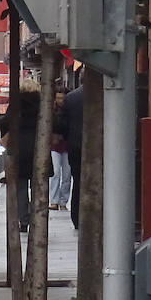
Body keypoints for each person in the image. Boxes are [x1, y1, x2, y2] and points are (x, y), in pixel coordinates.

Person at [0, 81, 50, 233]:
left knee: (21, 187)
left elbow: (4, 122)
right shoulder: (43, 103)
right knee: (38, 187)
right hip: (39, 147)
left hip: (20, 149)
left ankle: (24, 220)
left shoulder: (17, 104)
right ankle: (38, 218)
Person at [57, 85, 85, 230]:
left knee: (78, 182)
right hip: (99, 146)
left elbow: (62, 124)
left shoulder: (71, 98)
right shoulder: (104, 95)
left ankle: (77, 217)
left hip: (75, 146)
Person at [49, 88, 72, 212]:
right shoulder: (51, 111)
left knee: (67, 175)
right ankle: (54, 201)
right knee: (55, 173)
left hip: (66, 145)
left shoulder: (68, 110)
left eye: (62, 98)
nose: (60, 101)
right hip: (55, 145)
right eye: (58, 98)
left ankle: (63, 201)